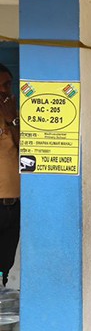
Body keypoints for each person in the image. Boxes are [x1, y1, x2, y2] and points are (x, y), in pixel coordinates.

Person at [0, 63, 19, 287]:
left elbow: (29, 153)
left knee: (6, 262)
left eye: (8, 85)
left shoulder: (16, 118)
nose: (5, 91)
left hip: (13, 205)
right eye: (1, 86)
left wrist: (12, 119)